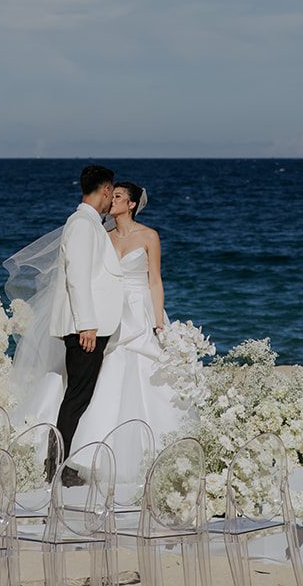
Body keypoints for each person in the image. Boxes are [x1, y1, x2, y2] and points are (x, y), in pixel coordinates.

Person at [3, 164, 125, 478]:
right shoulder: (83, 224)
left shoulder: (87, 222)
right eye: (112, 193)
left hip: (87, 325)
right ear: (106, 190)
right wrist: (87, 323)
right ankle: (56, 465)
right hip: (84, 328)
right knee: (76, 397)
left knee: (77, 395)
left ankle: (58, 462)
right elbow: (78, 278)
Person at [66, 180, 184, 483]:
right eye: (112, 195)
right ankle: (92, 450)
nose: (112, 200)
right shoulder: (102, 237)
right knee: (108, 376)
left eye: (118, 197)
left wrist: (158, 320)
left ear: (131, 204)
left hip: (140, 311)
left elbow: (155, 280)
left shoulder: (149, 236)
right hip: (110, 311)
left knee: (145, 373)